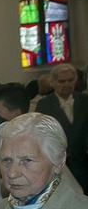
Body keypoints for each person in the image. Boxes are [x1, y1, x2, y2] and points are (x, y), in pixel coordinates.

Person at [35, 63, 88, 193]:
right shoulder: (44, 104)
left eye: (70, 80)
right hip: (60, 165)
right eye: (62, 81)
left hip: (84, 162)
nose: (66, 84)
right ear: (53, 83)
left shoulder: (85, 100)